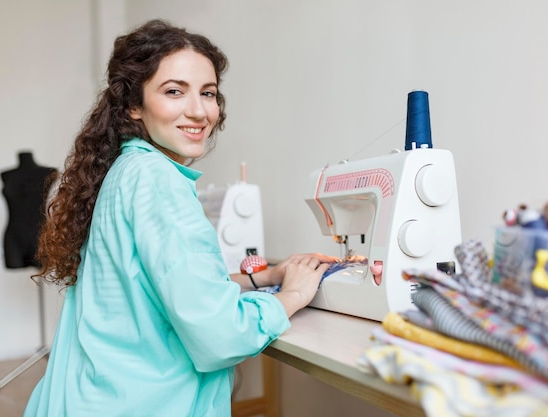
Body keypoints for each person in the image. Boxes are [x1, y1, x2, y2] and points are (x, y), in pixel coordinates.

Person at [24, 19, 333, 417]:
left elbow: (156, 286)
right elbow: (220, 335)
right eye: (174, 91)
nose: (199, 111)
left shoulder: (125, 170)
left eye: (209, 93)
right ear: (134, 105)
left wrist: (264, 278)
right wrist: (292, 296)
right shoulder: (157, 181)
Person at [0, 152, 57, 269]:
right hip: (14, 237)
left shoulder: (49, 172)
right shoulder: (5, 175)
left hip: (41, 234)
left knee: (43, 272)